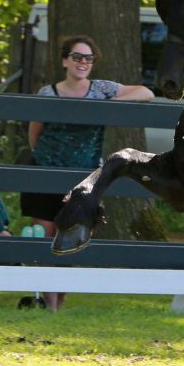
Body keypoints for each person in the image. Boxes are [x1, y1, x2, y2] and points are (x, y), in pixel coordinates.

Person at [21, 35, 154, 310]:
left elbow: (146, 92)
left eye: (89, 58)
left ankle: (60, 301)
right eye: (77, 57)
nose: (83, 62)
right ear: (65, 61)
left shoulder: (103, 89)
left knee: (71, 236)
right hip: (44, 172)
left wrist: (111, 105)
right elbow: (35, 135)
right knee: (44, 235)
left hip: (82, 179)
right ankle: (50, 304)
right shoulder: (48, 92)